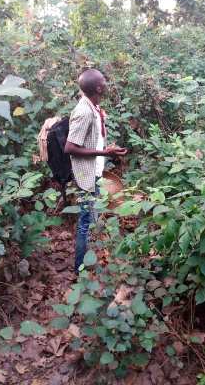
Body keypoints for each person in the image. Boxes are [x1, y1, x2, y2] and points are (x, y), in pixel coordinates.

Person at [65, 69, 127, 273]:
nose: (106, 83)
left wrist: (108, 152)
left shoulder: (94, 106)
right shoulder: (84, 111)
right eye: (104, 80)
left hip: (93, 173)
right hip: (86, 176)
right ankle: (80, 270)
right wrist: (104, 152)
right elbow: (70, 147)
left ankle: (87, 263)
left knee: (92, 217)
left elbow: (91, 140)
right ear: (99, 88)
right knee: (87, 221)